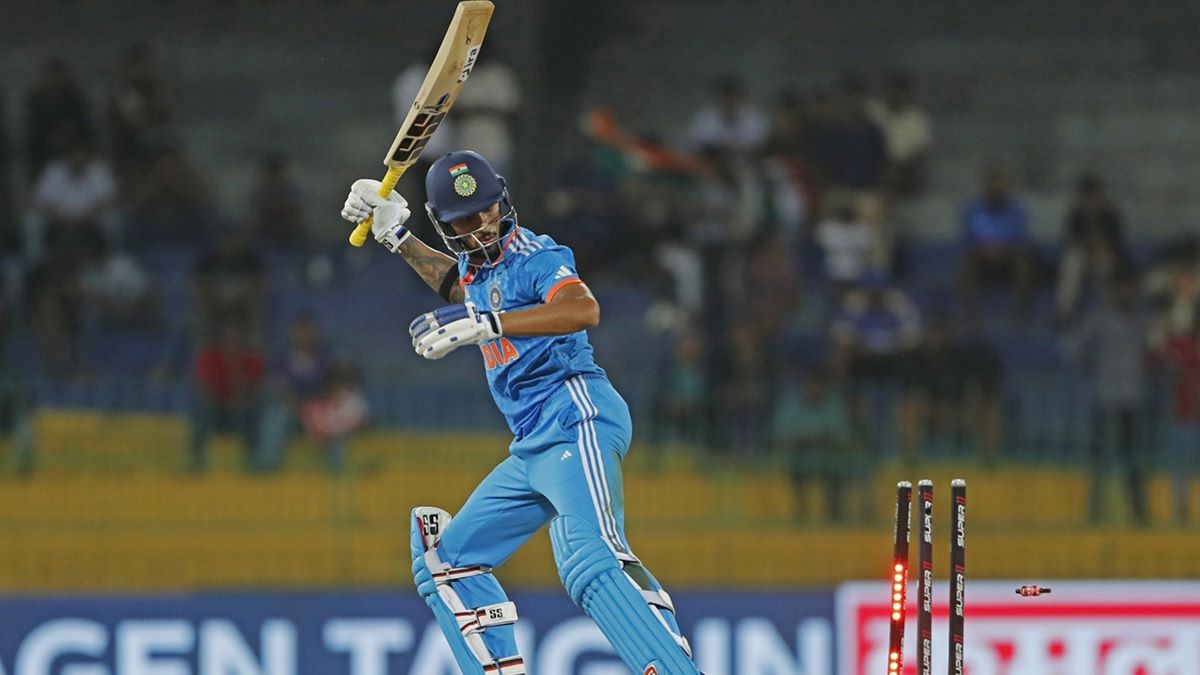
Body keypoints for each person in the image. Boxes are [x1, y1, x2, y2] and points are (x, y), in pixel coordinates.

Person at [340, 150, 702, 674]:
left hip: (575, 416)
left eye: (488, 208)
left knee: (589, 555)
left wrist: (491, 324)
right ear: (446, 225)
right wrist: (396, 236)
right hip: (533, 444)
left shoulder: (536, 254)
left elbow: (582, 309)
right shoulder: (476, 267)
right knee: (447, 563)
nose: (484, 224)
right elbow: (459, 286)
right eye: (466, 219)